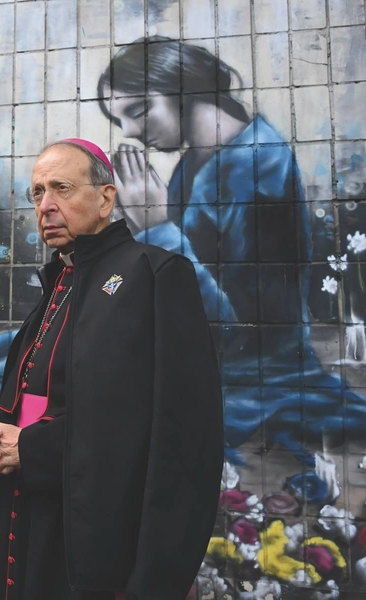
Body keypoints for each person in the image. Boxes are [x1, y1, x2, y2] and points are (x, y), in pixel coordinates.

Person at [0, 138, 224, 600]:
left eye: (61, 188)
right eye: (37, 192)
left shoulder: (154, 274)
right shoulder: (58, 283)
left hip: (97, 525)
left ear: (106, 198)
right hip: (33, 511)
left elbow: (171, 429)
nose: (46, 205)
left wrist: (31, 446)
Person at [97, 38, 366, 465]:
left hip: (252, 372)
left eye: (139, 110)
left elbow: (246, 325)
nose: (129, 132)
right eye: (120, 119)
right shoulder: (197, 162)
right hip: (196, 356)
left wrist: (158, 228)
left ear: (183, 87)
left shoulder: (257, 168)